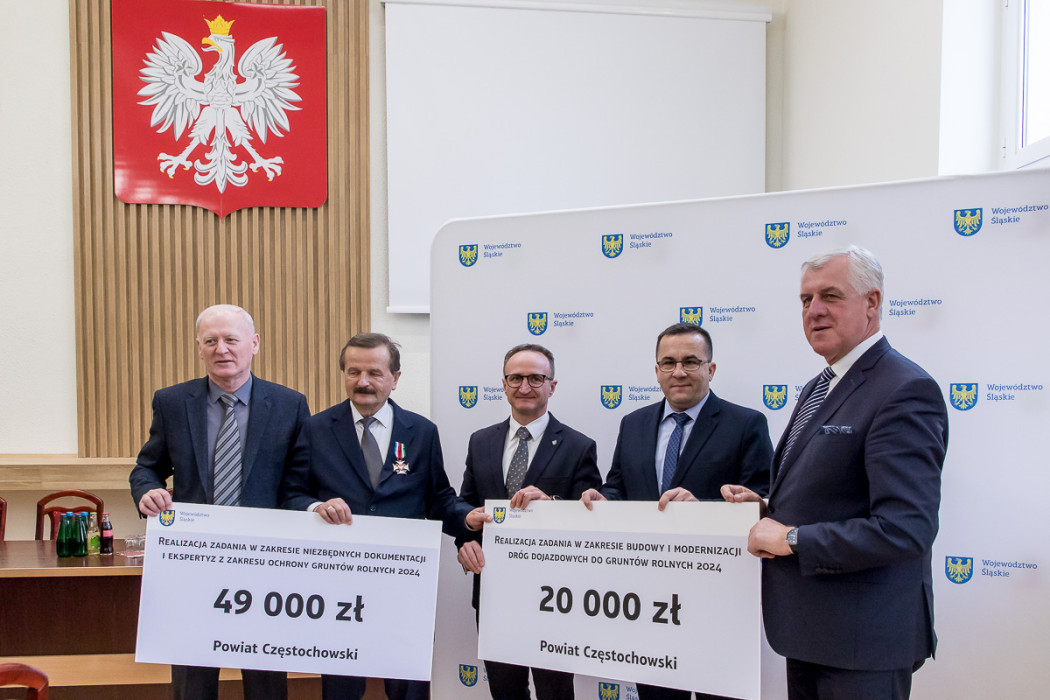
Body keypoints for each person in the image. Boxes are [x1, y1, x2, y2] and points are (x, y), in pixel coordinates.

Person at [722, 246, 948, 700]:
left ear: (872, 303)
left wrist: (790, 539)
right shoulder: (819, 385)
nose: (814, 311)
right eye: (806, 300)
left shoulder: (904, 389)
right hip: (811, 633)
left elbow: (906, 529)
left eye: (830, 296)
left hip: (864, 643)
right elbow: (835, 495)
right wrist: (764, 508)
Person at [282, 332, 489, 700]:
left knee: (408, 686)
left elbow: (439, 499)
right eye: (354, 372)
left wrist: (467, 518)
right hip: (338, 583)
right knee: (342, 687)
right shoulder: (314, 429)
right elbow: (290, 494)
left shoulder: (422, 432)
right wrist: (315, 508)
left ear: (395, 378)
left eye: (375, 373)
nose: (363, 382)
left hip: (404, 584)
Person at [582, 322, 773, 700]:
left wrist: (703, 510)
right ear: (656, 371)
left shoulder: (746, 423)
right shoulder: (633, 423)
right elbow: (618, 485)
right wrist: (604, 500)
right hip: (648, 598)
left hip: (718, 596)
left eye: (691, 362)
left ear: (710, 369)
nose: (679, 372)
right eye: (668, 363)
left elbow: (764, 501)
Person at [129, 304, 310, 700]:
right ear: (199, 348)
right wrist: (147, 491)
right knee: (193, 681)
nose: (221, 349)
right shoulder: (172, 402)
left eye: (231, 339)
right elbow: (147, 468)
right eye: (210, 341)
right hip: (194, 562)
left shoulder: (290, 405)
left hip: (264, 563)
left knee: (265, 682)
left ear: (254, 343)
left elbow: (298, 483)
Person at [457, 343, 602, 700]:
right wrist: (466, 540)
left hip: (554, 597)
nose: (525, 387)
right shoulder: (480, 441)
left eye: (536, 378)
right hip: (494, 592)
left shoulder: (578, 446)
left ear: (552, 385)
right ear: (503, 384)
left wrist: (551, 504)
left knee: (555, 692)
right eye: (516, 378)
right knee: (505, 691)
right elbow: (466, 506)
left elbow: (592, 516)